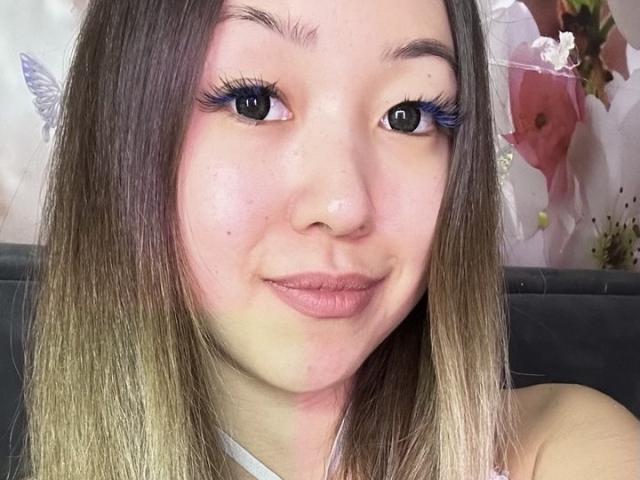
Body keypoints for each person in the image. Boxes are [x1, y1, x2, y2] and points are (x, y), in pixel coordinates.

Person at [18, 0, 640, 479]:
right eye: (254, 102)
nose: (345, 206)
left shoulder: (562, 452)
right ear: (123, 138)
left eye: (408, 115)